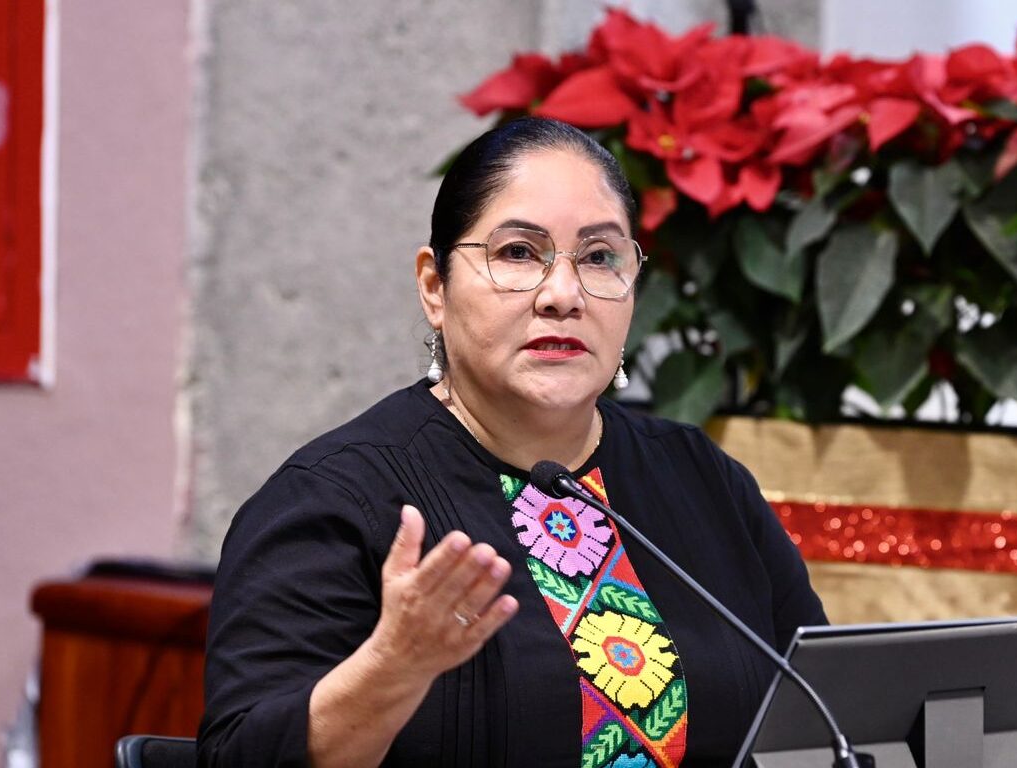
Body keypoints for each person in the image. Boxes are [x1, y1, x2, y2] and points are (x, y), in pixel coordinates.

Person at [197, 116, 828, 767]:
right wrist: (393, 668)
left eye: (599, 258)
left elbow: (826, 718)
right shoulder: (331, 503)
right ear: (434, 286)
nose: (563, 295)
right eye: (519, 253)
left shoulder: (701, 480)